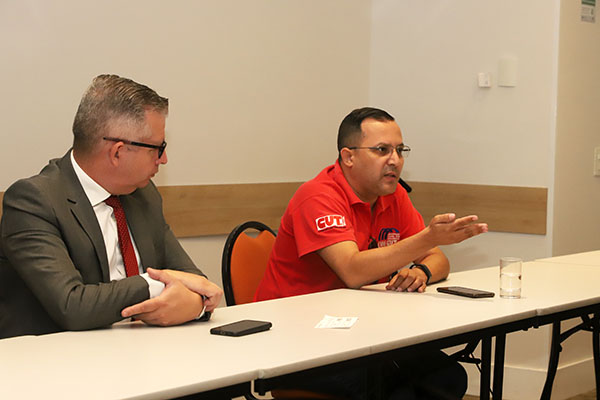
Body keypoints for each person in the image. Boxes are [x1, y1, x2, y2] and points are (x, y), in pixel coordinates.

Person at [255, 107, 488, 399]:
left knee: (447, 378)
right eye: (382, 150)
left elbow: (438, 259)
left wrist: (420, 272)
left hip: (361, 332)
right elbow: (353, 271)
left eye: (400, 150)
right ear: (348, 157)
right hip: (297, 339)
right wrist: (427, 238)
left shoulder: (393, 195)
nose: (395, 160)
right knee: (395, 389)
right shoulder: (318, 196)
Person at [0, 74, 223, 339]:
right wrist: (154, 285)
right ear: (117, 152)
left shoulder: (143, 195)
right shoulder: (33, 201)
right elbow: (72, 305)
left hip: (138, 349)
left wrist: (196, 306)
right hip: (53, 356)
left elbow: (192, 279)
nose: (163, 159)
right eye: (157, 148)